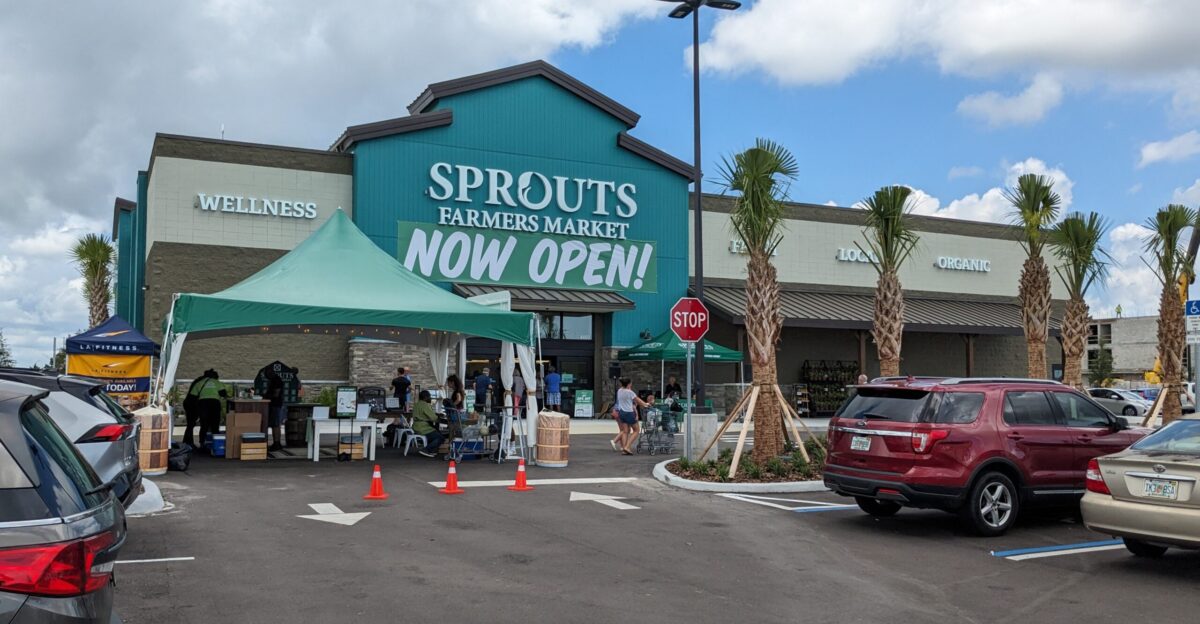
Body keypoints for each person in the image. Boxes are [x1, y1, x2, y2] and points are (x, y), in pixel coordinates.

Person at [615, 378, 651, 455]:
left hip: (621, 412)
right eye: (631, 383)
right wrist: (646, 404)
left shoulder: (619, 391)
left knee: (625, 431)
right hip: (629, 413)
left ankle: (624, 448)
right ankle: (627, 447)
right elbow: (638, 400)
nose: (631, 385)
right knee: (636, 430)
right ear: (628, 384)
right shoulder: (630, 392)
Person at [195, 369, 228, 449]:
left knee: (204, 425)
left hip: (203, 404)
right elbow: (223, 394)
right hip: (214, 404)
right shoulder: (217, 383)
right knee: (215, 424)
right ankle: (215, 444)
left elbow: (193, 395)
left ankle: (202, 443)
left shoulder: (199, 383)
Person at [412, 390, 444, 458]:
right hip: (423, 428)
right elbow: (434, 418)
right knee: (440, 437)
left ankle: (432, 451)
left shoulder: (416, 404)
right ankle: (426, 449)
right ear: (425, 397)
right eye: (429, 396)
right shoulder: (425, 405)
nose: (430, 398)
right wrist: (439, 418)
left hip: (416, 427)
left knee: (435, 433)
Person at [181, 373, 207, 447]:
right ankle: (188, 442)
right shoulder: (202, 383)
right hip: (192, 404)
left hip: (189, 403)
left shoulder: (197, 382)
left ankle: (187, 442)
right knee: (191, 424)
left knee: (190, 424)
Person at [265, 369, 286, 452]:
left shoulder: (276, 380)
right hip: (275, 404)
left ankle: (277, 443)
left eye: (267, 374)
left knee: (275, 425)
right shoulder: (275, 379)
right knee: (275, 424)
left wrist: (267, 396)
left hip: (275, 405)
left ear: (270, 373)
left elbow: (276, 393)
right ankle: (276, 443)